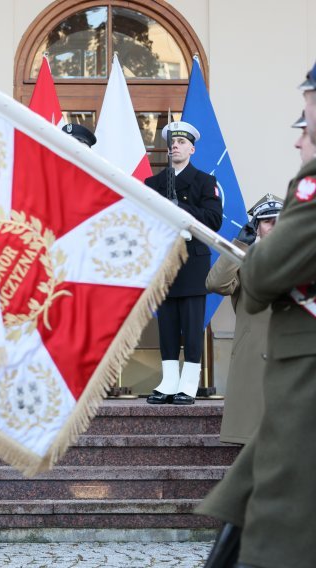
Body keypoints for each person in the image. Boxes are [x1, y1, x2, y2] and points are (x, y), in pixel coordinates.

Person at [197, 64, 316, 568]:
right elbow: (222, 279)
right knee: (252, 501)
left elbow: (263, 277)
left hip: (303, 385)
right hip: (277, 376)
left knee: (281, 525)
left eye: (305, 128)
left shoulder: (310, 190)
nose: (298, 143)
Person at [145, 121, 223, 405]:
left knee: (191, 325)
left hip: (192, 261)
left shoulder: (205, 181)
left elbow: (214, 219)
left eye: (181, 142)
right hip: (165, 261)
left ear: (192, 148)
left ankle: (188, 383)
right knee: (167, 325)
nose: (175, 145)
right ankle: (168, 381)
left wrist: (183, 208)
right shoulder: (153, 184)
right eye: (172, 142)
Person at [205, 194, 281, 444]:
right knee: (254, 440)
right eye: (269, 221)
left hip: (295, 353)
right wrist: (238, 245)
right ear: (257, 227)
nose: (276, 225)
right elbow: (216, 283)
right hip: (255, 354)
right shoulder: (243, 258)